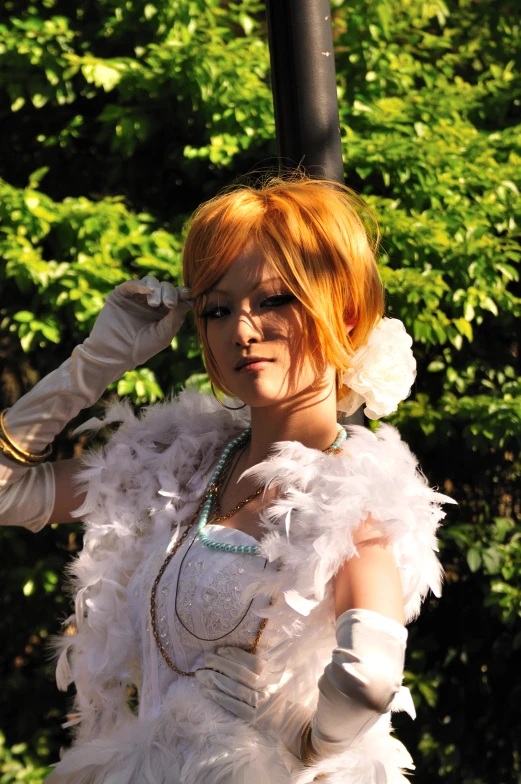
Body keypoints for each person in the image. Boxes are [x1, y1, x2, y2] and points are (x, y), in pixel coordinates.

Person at [0, 176, 455, 784]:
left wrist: (310, 741)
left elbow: (370, 676)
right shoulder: (175, 465)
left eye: (274, 301)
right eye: (218, 309)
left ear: (342, 311)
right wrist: (99, 358)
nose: (242, 329)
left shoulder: (352, 493)